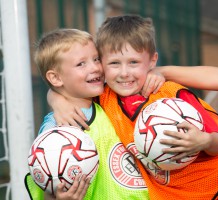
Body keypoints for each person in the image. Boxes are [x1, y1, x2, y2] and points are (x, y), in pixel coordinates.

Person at [47, 14, 218, 199]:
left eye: (134, 62)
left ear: (152, 60)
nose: (124, 73)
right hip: (175, 195)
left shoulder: (171, 94)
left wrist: (202, 141)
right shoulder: (104, 99)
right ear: (102, 64)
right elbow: (68, 88)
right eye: (114, 63)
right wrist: (55, 98)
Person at [24, 28, 150, 200]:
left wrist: (157, 73)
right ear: (55, 78)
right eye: (81, 64)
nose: (96, 68)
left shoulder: (108, 97)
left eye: (96, 59)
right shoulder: (57, 131)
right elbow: (50, 184)